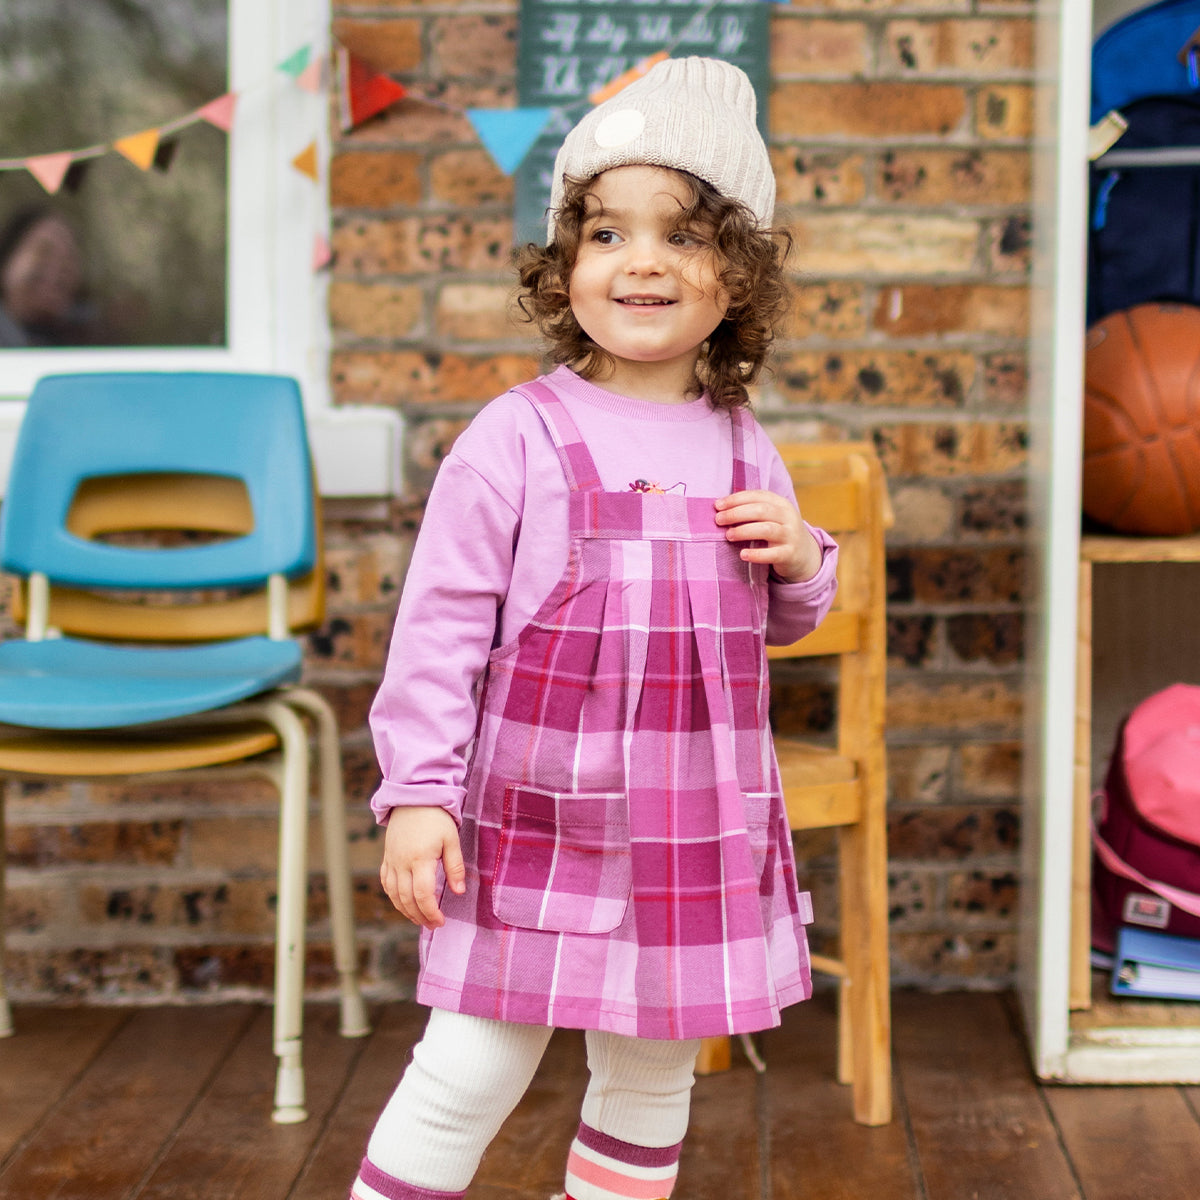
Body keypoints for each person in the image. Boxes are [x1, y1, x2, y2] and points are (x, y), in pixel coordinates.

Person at [351, 56, 840, 1200]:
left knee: (651, 1074)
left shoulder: (742, 444)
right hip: (535, 824)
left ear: (739, 276)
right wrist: (417, 792)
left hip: (693, 829)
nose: (644, 262)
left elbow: (778, 619)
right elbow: (435, 633)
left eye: (682, 235)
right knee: (469, 1065)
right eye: (608, 235)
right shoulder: (515, 438)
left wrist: (806, 556)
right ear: (566, 265)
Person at [0, 206, 87, 347]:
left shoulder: (89, 338)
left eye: (69, 257)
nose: (58, 268)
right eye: (44, 251)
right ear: (7, 261)